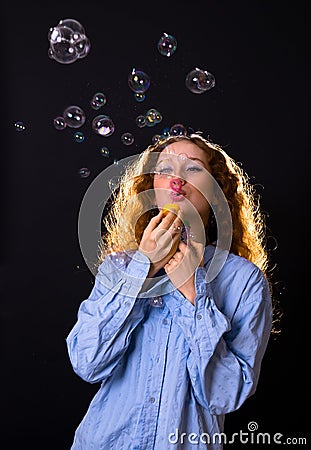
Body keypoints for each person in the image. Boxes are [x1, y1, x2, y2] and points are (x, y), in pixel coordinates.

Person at [66, 132, 277, 449]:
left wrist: (193, 292)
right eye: (166, 169)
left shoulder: (244, 281)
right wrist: (144, 269)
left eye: (193, 168)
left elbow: (226, 393)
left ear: (217, 193)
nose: (177, 179)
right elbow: (88, 363)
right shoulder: (119, 268)